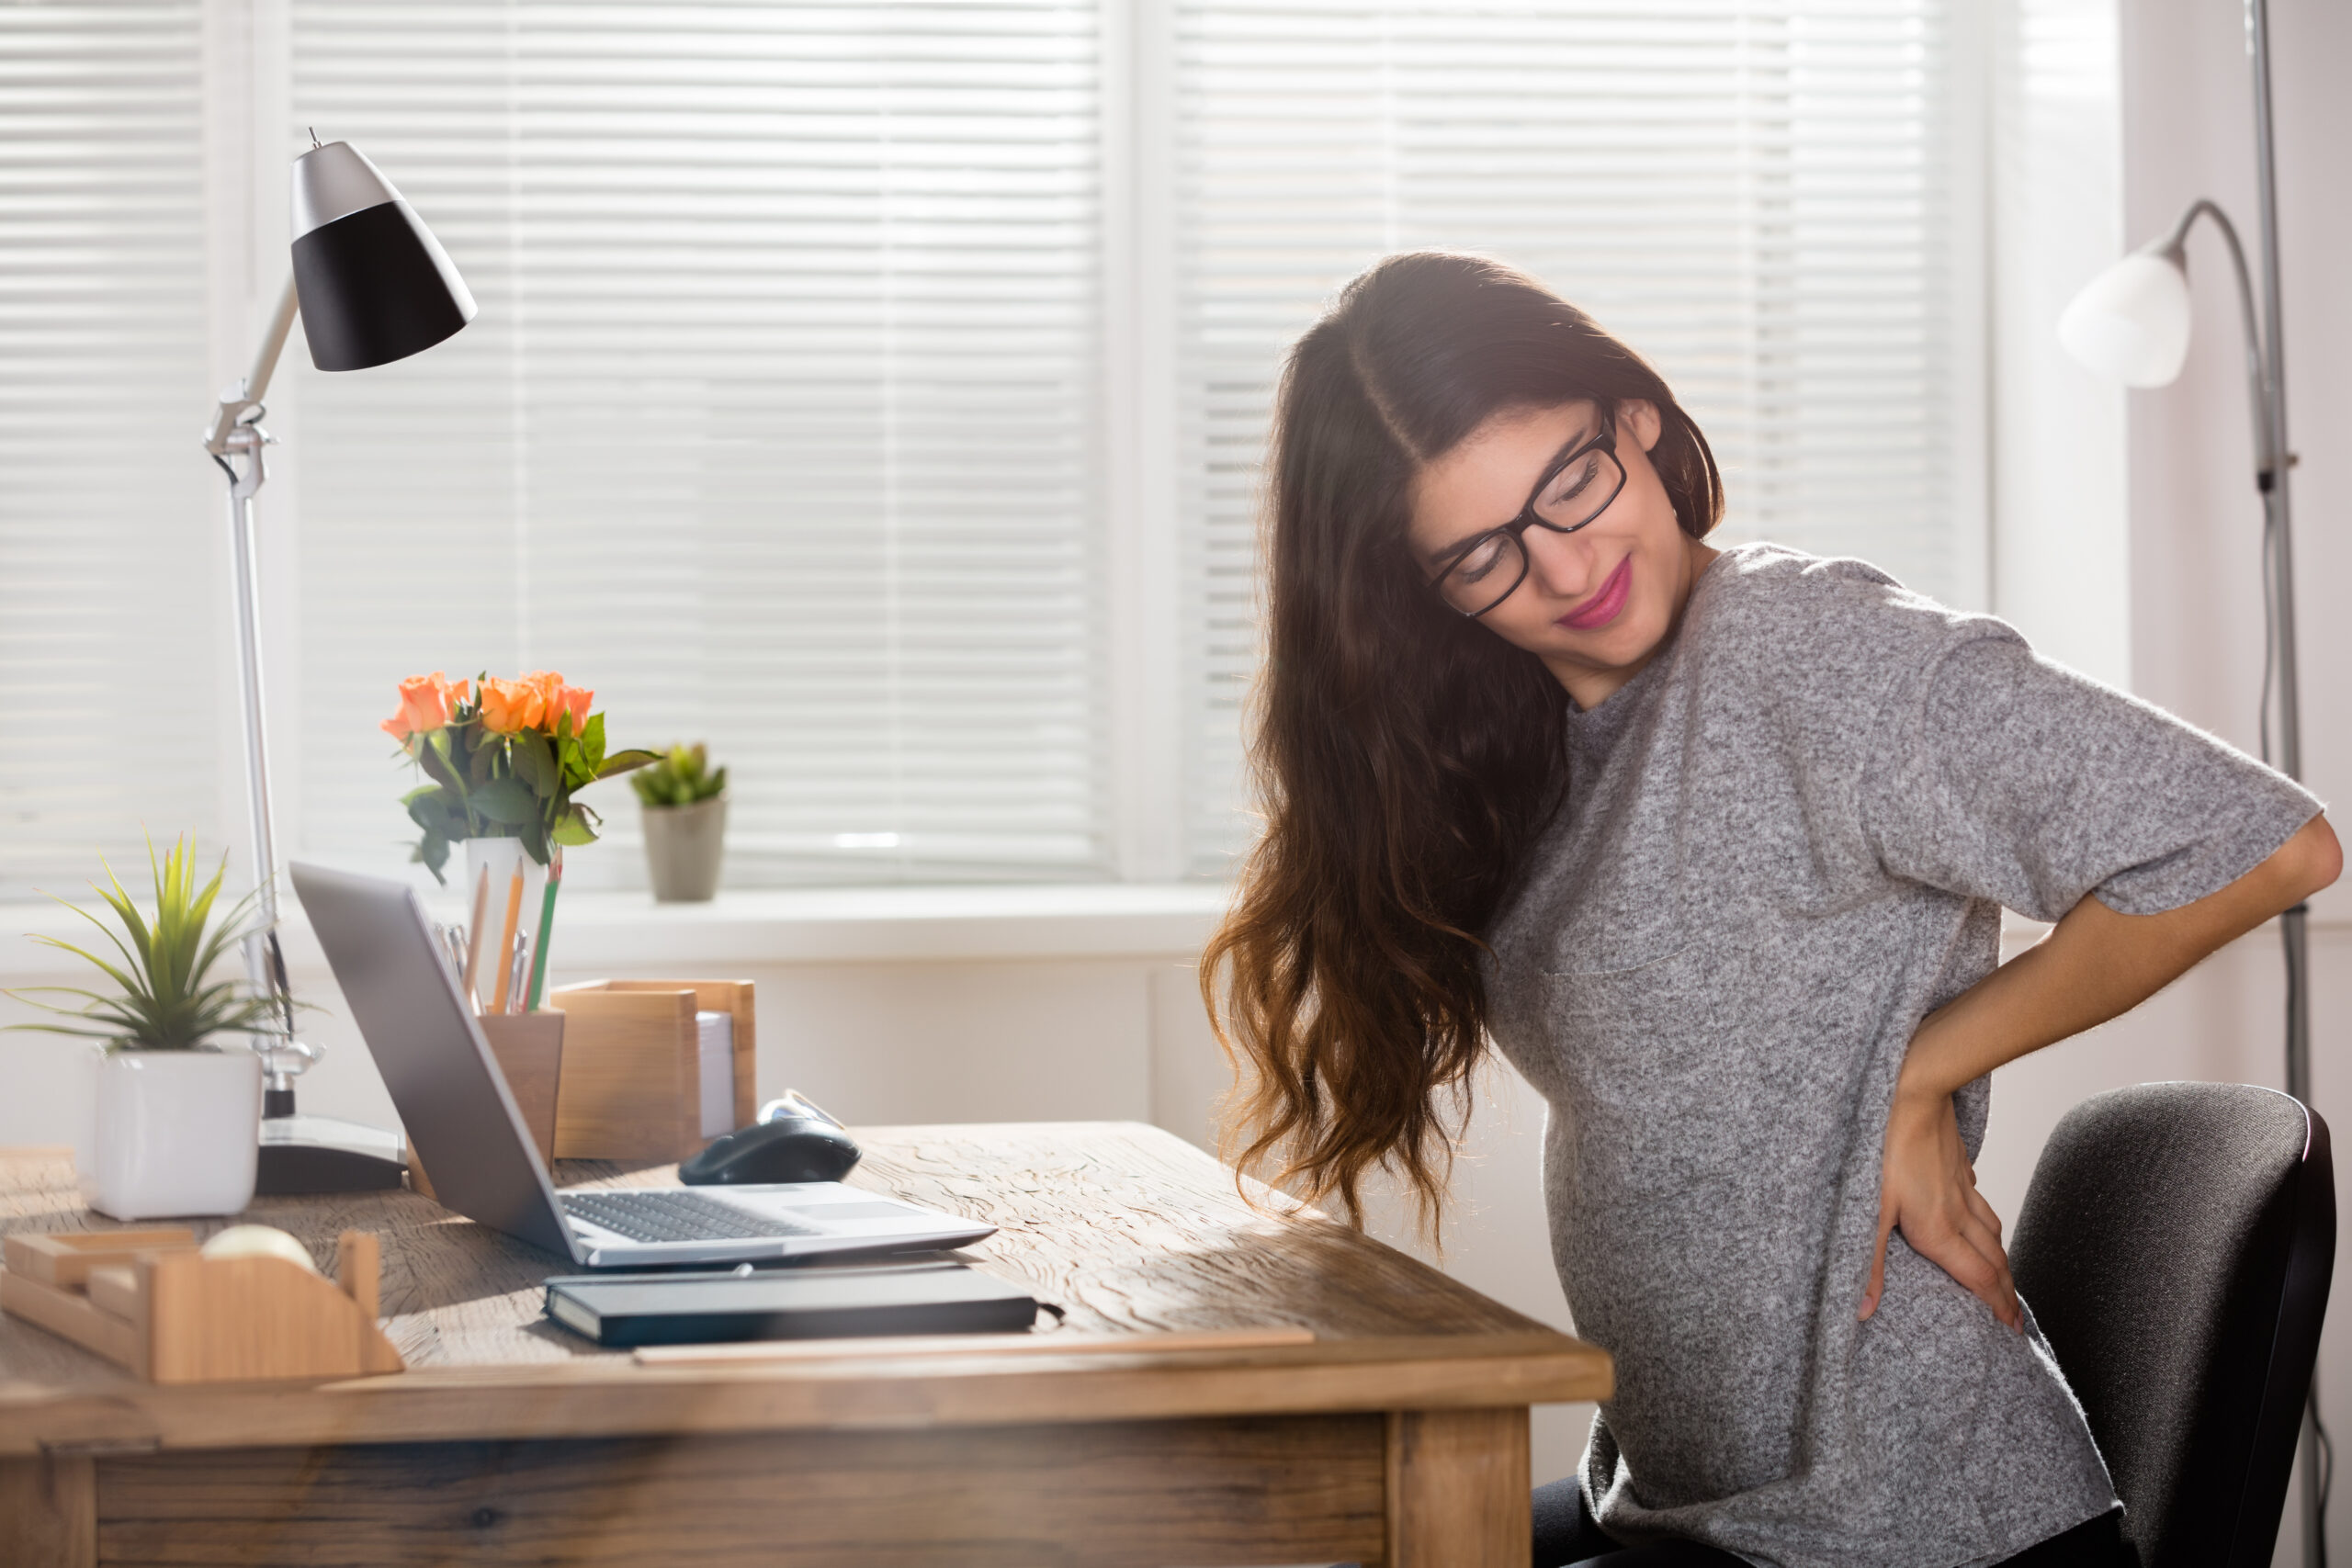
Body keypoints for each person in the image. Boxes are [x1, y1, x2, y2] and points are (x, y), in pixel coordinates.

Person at [1200, 252, 2341, 1568]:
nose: (1565, 568)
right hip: (1685, 1499)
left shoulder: (1805, 649)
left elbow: (2264, 846)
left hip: (1904, 1528)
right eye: (1482, 556)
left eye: (1571, 483)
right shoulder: (1540, 742)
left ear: (1635, 419)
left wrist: (1924, 1066)